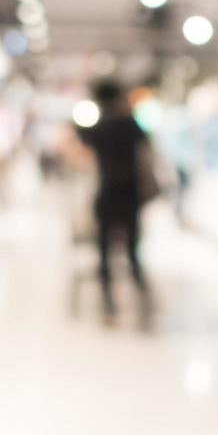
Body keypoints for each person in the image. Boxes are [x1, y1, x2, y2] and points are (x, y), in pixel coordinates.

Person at [75, 81, 154, 325]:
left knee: (105, 252)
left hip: (107, 194)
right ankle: (142, 301)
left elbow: (81, 135)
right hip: (130, 196)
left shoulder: (100, 127)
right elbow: (146, 139)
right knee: (132, 251)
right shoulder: (130, 125)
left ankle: (109, 305)